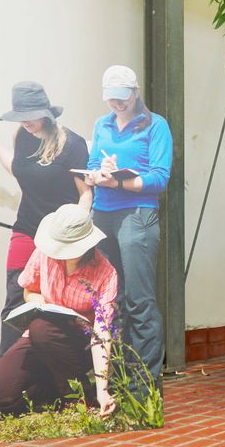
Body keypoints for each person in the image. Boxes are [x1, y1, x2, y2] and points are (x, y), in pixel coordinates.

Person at [0, 204, 118, 419]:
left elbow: (101, 332)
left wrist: (103, 389)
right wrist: (39, 302)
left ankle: (79, 398)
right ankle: (54, 390)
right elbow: (29, 290)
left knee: (41, 328)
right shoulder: (43, 253)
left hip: (77, 346)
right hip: (37, 339)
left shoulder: (106, 273)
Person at [0, 81, 92, 358]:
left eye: (31, 116)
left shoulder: (73, 144)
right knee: (15, 299)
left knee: (57, 302)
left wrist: (76, 231)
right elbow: (19, 170)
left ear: (46, 113)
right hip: (25, 229)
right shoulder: (21, 137)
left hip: (61, 236)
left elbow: (85, 194)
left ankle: (62, 375)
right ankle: (7, 373)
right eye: (20, 117)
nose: (26, 123)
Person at [85, 65, 172, 389]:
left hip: (137, 216)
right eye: (111, 99)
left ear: (136, 93)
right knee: (110, 299)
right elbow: (93, 165)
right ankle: (116, 380)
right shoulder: (102, 124)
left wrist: (121, 181)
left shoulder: (156, 125)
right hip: (103, 214)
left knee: (139, 300)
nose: (117, 105)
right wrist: (98, 173)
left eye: (122, 98)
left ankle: (145, 385)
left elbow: (160, 177)